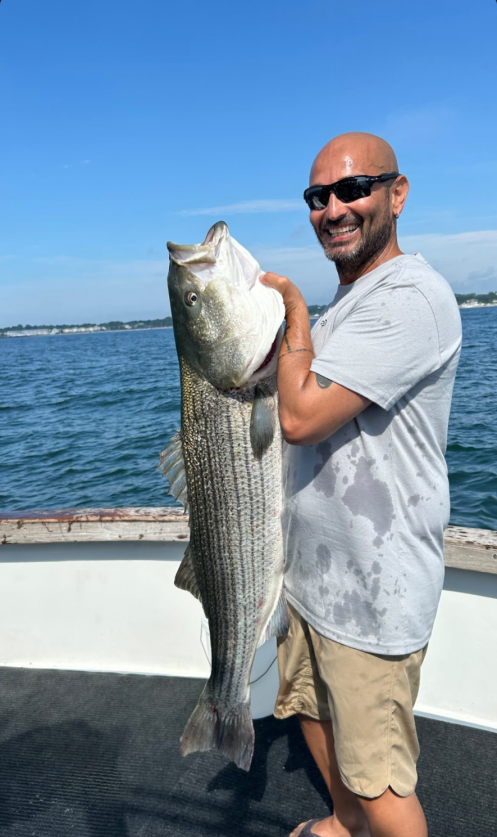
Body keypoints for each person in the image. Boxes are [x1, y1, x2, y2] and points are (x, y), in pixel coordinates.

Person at [261, 132, 462, 837]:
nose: (334, 208)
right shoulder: (347, 303)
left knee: (379, 775)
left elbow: (300, 415)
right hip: (315, 575)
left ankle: (362, 815)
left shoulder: (410, 296)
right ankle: (343, 823)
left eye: (353, 189)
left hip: (375, 588)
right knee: (312, 712)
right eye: (319, 197)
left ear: (395, 194)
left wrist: (288, 309)